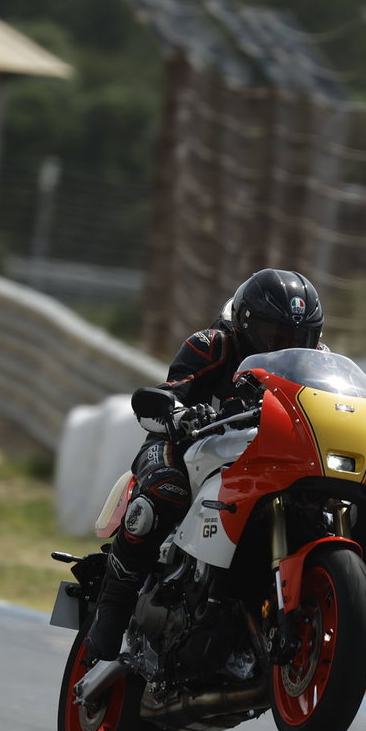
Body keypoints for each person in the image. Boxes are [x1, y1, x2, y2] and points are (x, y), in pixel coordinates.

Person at [85, 267, 325, 660]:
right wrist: (180, 412)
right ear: (246, 324)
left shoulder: (318, 362)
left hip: (262, 458)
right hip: (183, 446)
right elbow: (171, 390)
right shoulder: (213, 344)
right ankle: (113, 605)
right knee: (165, 492)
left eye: (297, 339)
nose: (284, 347)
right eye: (273, 335)